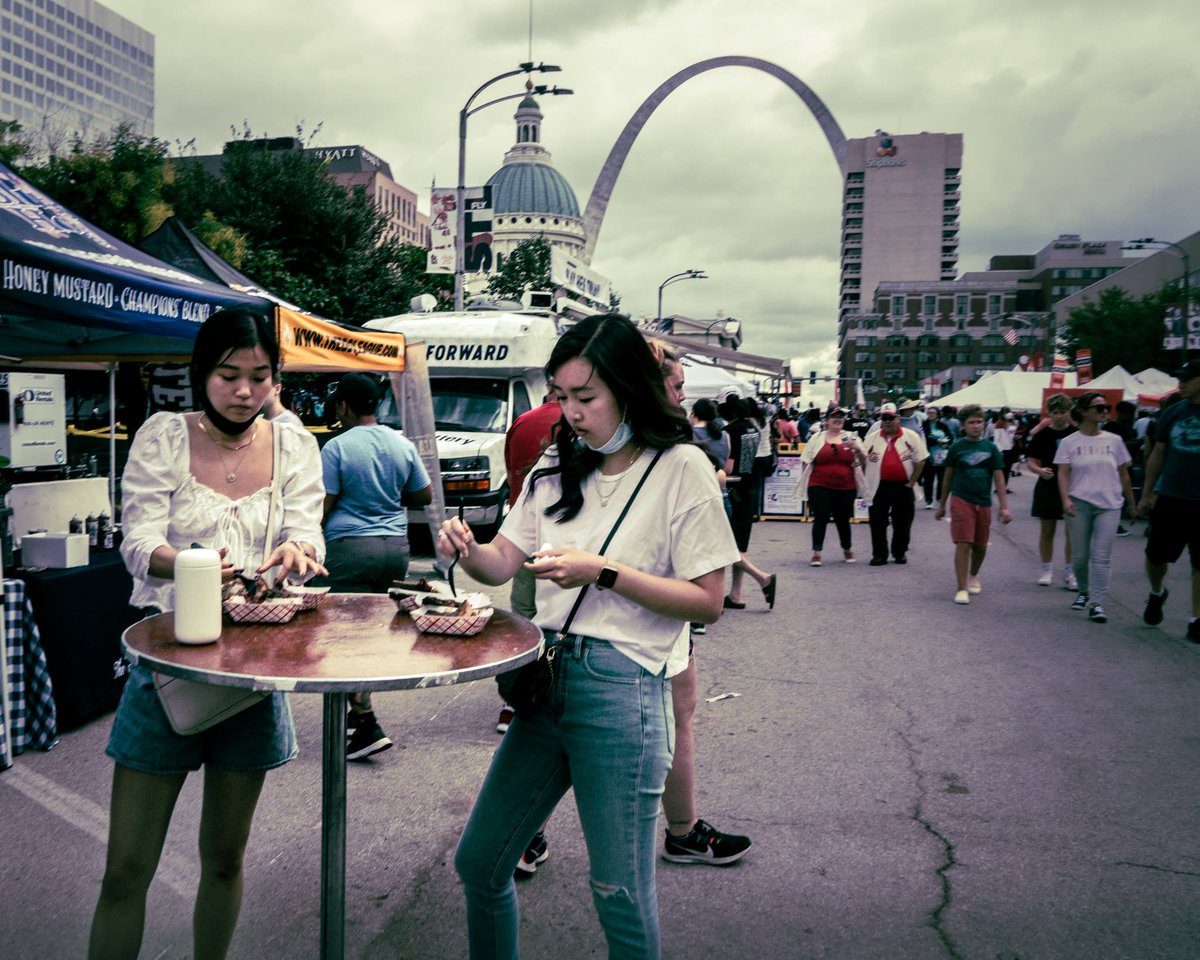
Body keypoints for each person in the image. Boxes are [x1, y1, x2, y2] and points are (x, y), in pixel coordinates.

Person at [442, 314, 739, 958]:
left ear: (629, 389)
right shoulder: (557, 465)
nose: (571, 413)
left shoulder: (682, 466)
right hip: (546, 682)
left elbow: (708, 602)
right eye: (561, 396)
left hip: (624, 692)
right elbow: (502, 561)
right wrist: (466, 548)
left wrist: (602, 573)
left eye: (586, 397)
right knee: (481, 864)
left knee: (618, 891)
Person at [89, 309, 327, 960]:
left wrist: (300, 551)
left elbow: (306, 529)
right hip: (166, 666)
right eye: (228, 376)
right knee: (125, 870)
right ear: (202, 374)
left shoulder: (295, 445)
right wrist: (192, 564)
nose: (245, 391)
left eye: (259, 376)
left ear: (275, 379)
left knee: (224, 861)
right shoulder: (163, 436)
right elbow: (137, 542)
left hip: (253, 670)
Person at [311, 373, 433, 760]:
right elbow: (424, 494)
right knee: (369, 634)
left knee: (343, 637)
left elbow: (324, 503)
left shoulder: (336, 447)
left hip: (349, 550)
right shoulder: (401, 444)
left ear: (344, 406)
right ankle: (358, 711)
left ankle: (366, 723)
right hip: (395, 550)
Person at [1055, 392, 1135, 623]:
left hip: (1109, 505)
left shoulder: (1114, 440)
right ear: (1083, 411)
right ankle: (1083, 591)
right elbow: (1063, 473)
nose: (1104, 412)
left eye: (1106, 408)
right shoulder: (1070, 442)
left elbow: (1124, 474)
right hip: (1079, 503)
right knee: (1080, 557)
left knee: (1101, 557)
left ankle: (1096, 603)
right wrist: (1065, 500)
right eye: (1098, 408)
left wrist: (1132, 503)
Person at [1137, 361, 1200, 643]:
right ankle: (1156, 592)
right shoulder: (1173, 413)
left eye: (1187, 378)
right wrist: (1147, 494)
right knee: (1155, 556)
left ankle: (1196, 618)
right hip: (1172, 497)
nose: (1181, 382)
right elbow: (1158, 455)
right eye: (1180, 377)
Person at [936, 404, 1012, 604]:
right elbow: (947, 479)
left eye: (979, 422)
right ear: (963, 425)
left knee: (980, 544)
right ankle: (961, 588)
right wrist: (942, 505)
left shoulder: (991, 448)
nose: (976, 426)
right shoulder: (956, 448)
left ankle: (974, 574)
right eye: (971, 422)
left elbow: (999, 479)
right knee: (964, 542)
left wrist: (1004, 506)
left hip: (984, 501)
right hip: (961, 499)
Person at [719, 395, 777, 608]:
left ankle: (763, 578)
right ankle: (736, 594)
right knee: (739, 546)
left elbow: (730, 468)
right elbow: (748, 462)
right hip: (750, 489)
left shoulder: (731, 431)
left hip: (735, 491)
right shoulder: (753, 429)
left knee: (725, 546)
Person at [862, 402, 928, 565]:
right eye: (884, 418)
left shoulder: (910, 436)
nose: (887, 421)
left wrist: (912, 482)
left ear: (898, 418)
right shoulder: (872, 438)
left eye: (890, 417)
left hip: (903, 485)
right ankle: (879, 555)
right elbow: (862, 461)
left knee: (903, 521)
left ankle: (899, 552)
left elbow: (921, 459)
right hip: (879, 485)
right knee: (877, 521)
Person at [1024, 393, 1078, 589]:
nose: (1059, 416)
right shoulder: (1042, 434)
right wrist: (1039, 470)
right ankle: (1047, 570)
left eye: (1063, 412)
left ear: (1069, 412)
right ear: (1049, 414)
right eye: (1055, 412)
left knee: (1072, 531)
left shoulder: (1077, 434)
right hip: (1047, 485)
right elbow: (1030, 462)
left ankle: (1070, 572)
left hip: (1073, 486)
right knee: (1047, 530)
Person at [799, 407, 864, 566]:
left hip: (846, 485)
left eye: (841, 417)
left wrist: (857, 449)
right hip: (819, 483)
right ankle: (817, 552)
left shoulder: (852, 437)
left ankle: (847, 548)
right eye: (834, 417)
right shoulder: (817, 438)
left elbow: (863, 461)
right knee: (821, 516)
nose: (838, 420)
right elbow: (806, 459)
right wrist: (806, 481)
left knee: (843, 519)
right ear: (827, 420)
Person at [921, 405, 952, 509]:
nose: (930, 415)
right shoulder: (924, 425)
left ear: (938, 415)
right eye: (929, 413)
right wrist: (936, 441)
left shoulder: (943, 425)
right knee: (928, 480)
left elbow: (950, 437)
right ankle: (928, 500)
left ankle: (940, 498)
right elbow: (923, 439)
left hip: (942, 457)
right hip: (928, 456)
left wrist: (946, 443)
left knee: (942, 479)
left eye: (933, 413)